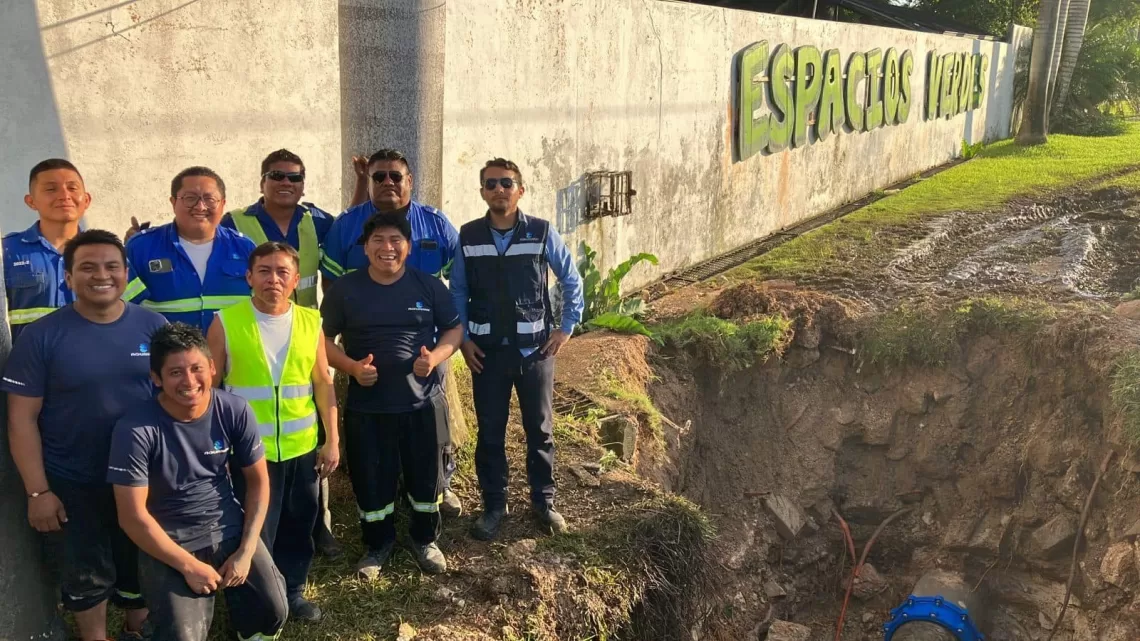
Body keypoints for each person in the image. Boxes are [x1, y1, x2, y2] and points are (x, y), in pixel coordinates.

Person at [2, 230, 168, 641]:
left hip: (142, 476)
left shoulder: (154, 326)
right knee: (84, 568)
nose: (101, 275)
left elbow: (175, 400)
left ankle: (137, 629)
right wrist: (38, 492)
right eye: (88, 267)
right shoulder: (42, 336)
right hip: (72, 477)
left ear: (126, 273)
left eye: (112, 266)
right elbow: (21, 419)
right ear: (68, 277)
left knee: (140, 559)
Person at [108, 323, 288, 641]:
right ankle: (150, 627)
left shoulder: (234, 409)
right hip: (169, 538)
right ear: (156, 378)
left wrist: (246, 552)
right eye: (176, 372)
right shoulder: (135, 429)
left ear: (213, 368)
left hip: (227, 526)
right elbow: (132, 517)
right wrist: (188, 566)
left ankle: (246, 630)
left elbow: (259, 483)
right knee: (182, 636)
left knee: (274, 611)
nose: (189, 381)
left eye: (196, 368)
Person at [219, 149, 353, 559]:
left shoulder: (318, 220)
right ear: (262, 181)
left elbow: (350, 231)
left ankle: (320, 526)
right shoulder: (235, 222)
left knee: (308, 430)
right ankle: (258, 552)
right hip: (255, 326)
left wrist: (363, 183)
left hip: (303, 328)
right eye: (276, 175)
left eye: (294, 177)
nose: (285, 183)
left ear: (303, 183)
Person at [321, 148, 464, 517]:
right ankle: (376, 492)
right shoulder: (347, 225)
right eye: (378, 176)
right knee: (373, 432)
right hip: (367, 351)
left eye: (395, 176)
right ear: (368, 181)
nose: (387, 182)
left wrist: (443, 350)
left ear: (409, 181)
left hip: (428, 352)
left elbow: (459, 283)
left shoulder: (436, 224)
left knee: (434, 426)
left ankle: (440, 484)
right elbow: (331, 282)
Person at [450, 158, 585, 541]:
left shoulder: (541, 232)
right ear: (482, 192)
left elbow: (571, 280)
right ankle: (494, 505)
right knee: (490, 433)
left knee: (539, 430)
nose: (498, 190)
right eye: (490, 183)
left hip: (534, 353)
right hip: (486, 355)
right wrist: (463, 339)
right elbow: (458, 290)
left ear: (520, 190)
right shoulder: (469, 236)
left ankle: (544, 502)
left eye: (506, 183)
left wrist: (565, 328)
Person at [206, 242, 338, 623]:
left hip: (301, 447)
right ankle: (257, 599)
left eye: (283, 272)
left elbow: (323, 384)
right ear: (249, 277)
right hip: (248, 454)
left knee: (299, 524)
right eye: (264, 271)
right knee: (255, 529)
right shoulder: (226, 322)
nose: (273, 280)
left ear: (296, 280)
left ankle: (292, 591)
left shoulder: (311, 322)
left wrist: (332, 440)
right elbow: (210, 392)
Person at [123, 166, 256, 334]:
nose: (200, 207)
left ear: (223, 204)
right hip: (166, 356)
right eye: (190, 198)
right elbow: (125, 309)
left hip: (233, 355)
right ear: (173, 202)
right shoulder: (140, 247)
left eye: (209, 199)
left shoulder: (246, 248)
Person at [3, 159, 91, 340]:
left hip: (92, 364)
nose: (64, 196)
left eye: (72, 188)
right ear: (31, 201)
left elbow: (131, 309)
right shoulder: (7, 251)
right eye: (51, 189)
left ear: (87, 200)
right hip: (28, 364)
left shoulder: (105, 252)